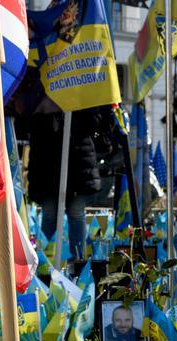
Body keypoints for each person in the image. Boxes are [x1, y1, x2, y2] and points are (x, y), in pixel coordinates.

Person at [27, 101, 115, 262]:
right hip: (47, 163)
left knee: (75, 212)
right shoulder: (41, 99)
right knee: (50, 213)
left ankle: (77, 259)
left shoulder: (84, 97)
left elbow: (94, 122)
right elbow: (31, 122)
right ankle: (45, 260)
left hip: (78, 162)